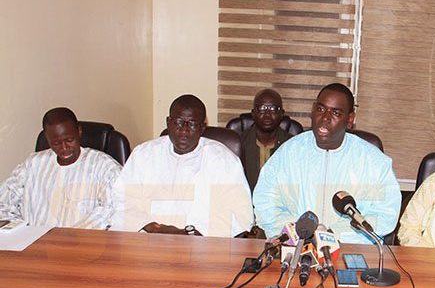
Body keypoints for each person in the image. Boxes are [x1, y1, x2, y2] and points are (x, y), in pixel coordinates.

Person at [253, 83, 401, 244]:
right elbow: (266, 204)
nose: (325, 118)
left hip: (351, 247)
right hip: (297, 245)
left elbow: (384, 215)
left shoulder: (373, 161)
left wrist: (332, 234)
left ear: (350, 119)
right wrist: (302, 231)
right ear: (312, 110)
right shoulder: (288, 153)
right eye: (320, 109)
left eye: (336, 113)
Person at [112, 94, 253, 237]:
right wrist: (153, 227)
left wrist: (193, 234)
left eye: (192, 124)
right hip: (148, 240)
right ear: (168, 122)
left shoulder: (223, 161)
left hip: (203, 244)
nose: (184, 130)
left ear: (202, 128)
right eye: (178, 122)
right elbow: (123, 200)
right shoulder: (144, 154)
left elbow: (239, 214)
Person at [0, 107, 121, 229]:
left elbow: (114, 210)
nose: (64, 148)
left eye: (69, 140)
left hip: (82, 238)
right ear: (47, 138)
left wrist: (70, 235)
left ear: (79, 132)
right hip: (32, 238)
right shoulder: (32, 164)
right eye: (56, 143)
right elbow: (3, 203)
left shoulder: (104, 167)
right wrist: (21, 230)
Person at [241, 89, 292, 190]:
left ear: (282, 113)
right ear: (253, 113)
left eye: (273, 109)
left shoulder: (292, 146)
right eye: (262, 108)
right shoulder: (239, 144)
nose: (267, 115)